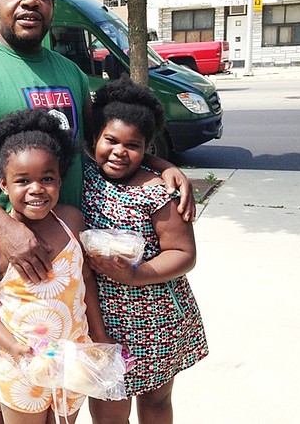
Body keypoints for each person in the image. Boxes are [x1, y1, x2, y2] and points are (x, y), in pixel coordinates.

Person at [0, 0, 194, 424]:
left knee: (60, 402)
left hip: (67, 277)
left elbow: (107, 138)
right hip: (1, 275)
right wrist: (4, 230)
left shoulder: (70, 73)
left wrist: (158, 163)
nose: (30, 1)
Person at [0, 109, 109, 424]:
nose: (36, 188)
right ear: (3, 184)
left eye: (47, 178)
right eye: (22, 180)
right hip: (21, 365)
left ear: (60, 179)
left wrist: (98, 338)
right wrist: (13, 347)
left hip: (73, 359)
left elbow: (85, 281)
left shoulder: (72, 222)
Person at [81, 76, 209, 424]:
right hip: (100, 317)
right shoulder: (85, 174)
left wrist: (136, 274)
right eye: (111, 140)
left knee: (155, 402)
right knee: (108, 406)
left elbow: (184, 253)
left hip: (155, 319)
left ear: (146, 148)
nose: (119, 152)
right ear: (95, 138)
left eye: (133, 145)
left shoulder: (157, 192)